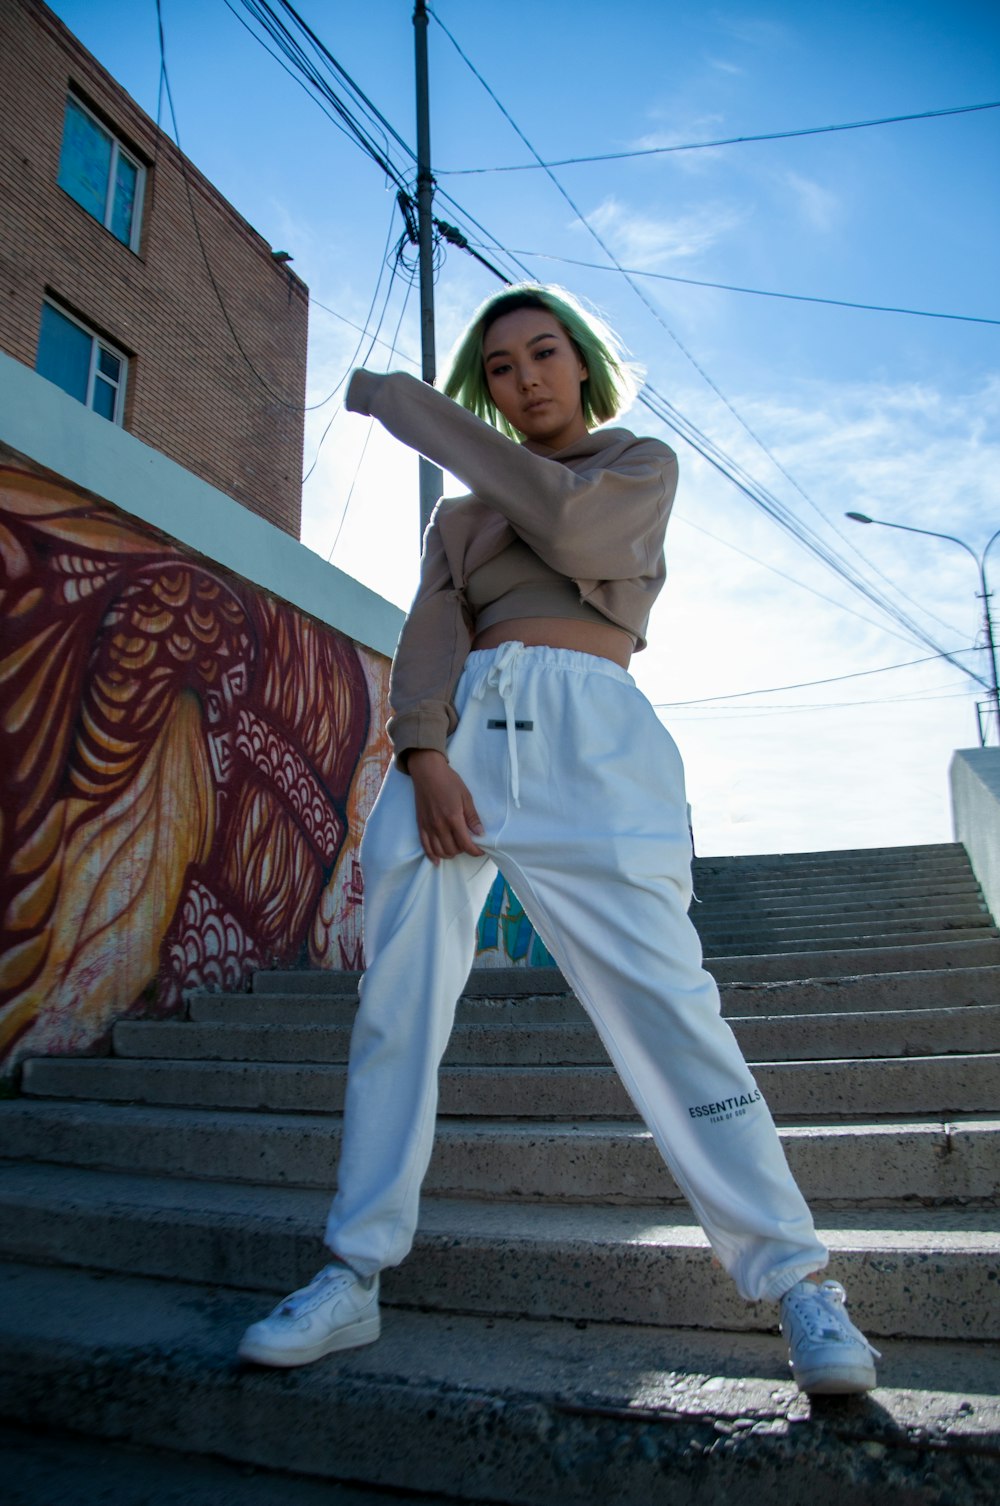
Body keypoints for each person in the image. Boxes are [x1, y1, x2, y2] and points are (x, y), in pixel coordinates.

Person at [238, 284, 879, 1395]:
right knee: (396, 1009)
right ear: (484, 388)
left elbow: (571, 523)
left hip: (596, 738)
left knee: (670, 1009)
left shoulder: (636, 467)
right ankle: (352, 1273)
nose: (525, 378)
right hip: (462, 741)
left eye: (543, 354)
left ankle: (797, 1282)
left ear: (581, 362)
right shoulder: (458, 519)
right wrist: (424, 755)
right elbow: (433, 630)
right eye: (498, 368)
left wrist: (399, 404)